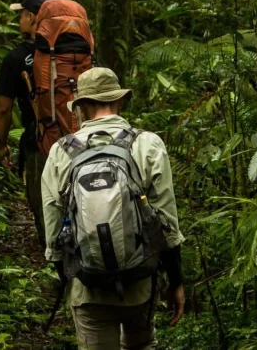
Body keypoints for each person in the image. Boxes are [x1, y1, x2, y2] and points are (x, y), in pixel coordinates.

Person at [41, 67, 185, 350]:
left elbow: (53, 231)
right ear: (119, 100)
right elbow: (166, 222)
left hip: (88, 289)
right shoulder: (147, 144)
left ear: (81, 107)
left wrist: (73, 279)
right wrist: (176, 281)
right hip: (139, 282)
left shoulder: (60, 152)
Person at [0, 0, 50, 248]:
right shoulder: (71, 52)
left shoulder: (15, 58)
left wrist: (1, 145)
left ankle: (53, 255)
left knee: (41, 197)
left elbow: (4, 110)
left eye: (21, 16)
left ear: (31, 17)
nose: (19, 21)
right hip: (76, 135)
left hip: (38, 139)